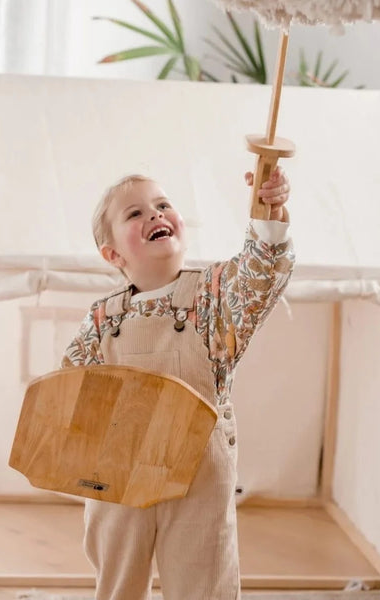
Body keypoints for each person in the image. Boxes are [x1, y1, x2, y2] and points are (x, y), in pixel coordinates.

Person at [61, 167, 294, 600]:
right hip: (118, 473)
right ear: (113, 255)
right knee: (117, 583)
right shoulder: (101, 319)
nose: (154, 214)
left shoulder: (216, 295)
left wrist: (270, 211)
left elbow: (261, 275)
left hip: (199, 472)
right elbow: (71, 393)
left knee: (204, 579)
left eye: (163, 205)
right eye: (135, 213)